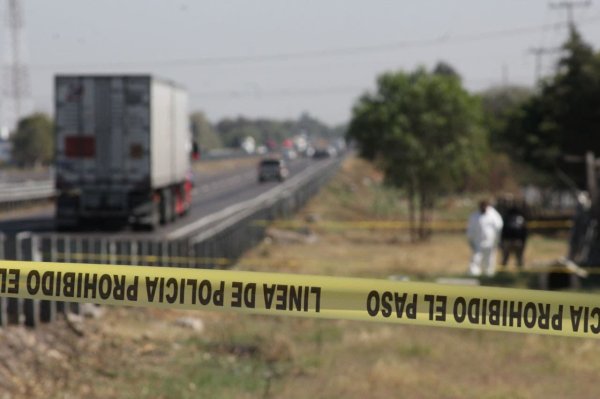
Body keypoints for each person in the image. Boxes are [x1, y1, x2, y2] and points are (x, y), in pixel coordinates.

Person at [467, 199, 503, 277]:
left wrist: (497, 241)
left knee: (489, 260)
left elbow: (499, 228)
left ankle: (488, 276)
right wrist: (470, 240)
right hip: (478, 242)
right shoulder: (475, 216)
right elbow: (471, 229)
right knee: (476, 259)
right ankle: (474, 275)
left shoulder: (494, 215)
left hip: (490, 242)